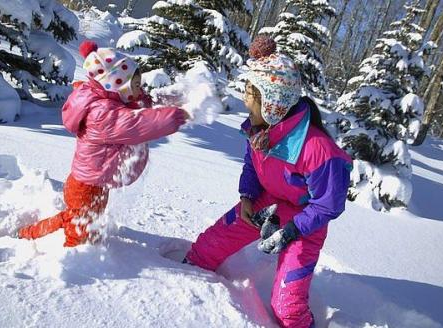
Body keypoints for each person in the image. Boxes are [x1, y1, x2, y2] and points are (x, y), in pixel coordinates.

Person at [184, 36, 352, 328]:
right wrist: (248, 196)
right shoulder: (259, 130)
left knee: (287, 308)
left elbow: (328, 204)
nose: (245, 98)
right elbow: (253, 164)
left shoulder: (319, 150)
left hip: (304, 222)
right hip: (267, 205)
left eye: (251, 92)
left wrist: (291, 231)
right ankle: (179, 283)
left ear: (273, 103)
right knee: (207, 246)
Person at [18, 40, 188, 247]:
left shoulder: (110, 99)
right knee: (79, 232)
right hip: (86, 187)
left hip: (94, 182)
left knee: (80, 218)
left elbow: (141, 104)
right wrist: (178, 116)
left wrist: (176, 98)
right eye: (135, 85)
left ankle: (31, 233)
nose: (139, 89)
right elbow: (138, 123)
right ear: (117, 84)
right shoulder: (103, 114)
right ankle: (70, 258)